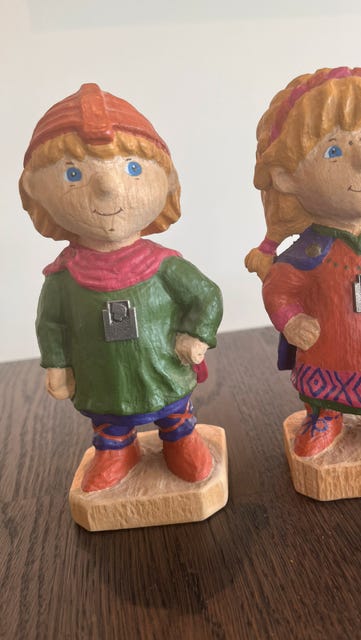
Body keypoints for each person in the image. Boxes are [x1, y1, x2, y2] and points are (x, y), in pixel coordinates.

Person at [20, 83, 223, 491]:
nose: (107, 188)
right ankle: (115, 450)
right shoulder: (63, 278)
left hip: (162, 368)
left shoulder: (165, 267)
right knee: (110, 418)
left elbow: (206, 296)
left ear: (167, 180)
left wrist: (196, 335)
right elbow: (51, 324)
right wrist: (57, 365)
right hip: (102, 375)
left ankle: (181, 440)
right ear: (35, 191)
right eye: (74, 174)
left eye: (132, 169)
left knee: (174, 410)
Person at [245, 67, 361, 457]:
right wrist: (292, 320)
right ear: (286, 177)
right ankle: (324, 415)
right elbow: (279, 290)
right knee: (325, 387)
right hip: (328, 350)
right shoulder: (310, 251)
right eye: (334, 151)